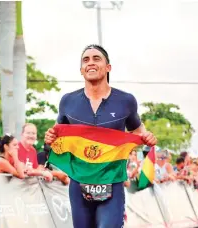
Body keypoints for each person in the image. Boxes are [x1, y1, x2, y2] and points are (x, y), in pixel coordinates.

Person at [44, 44, 157, 228]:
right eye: (86, 60)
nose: (90, 63)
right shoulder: (68, 101)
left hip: (112, 181)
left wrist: (147, 137)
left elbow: (138, 131)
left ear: (108, 67)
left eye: (97, 58)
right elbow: (57, 134)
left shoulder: (126, 101)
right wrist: (50, 137)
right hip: (79, 183)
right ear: (81, 70)